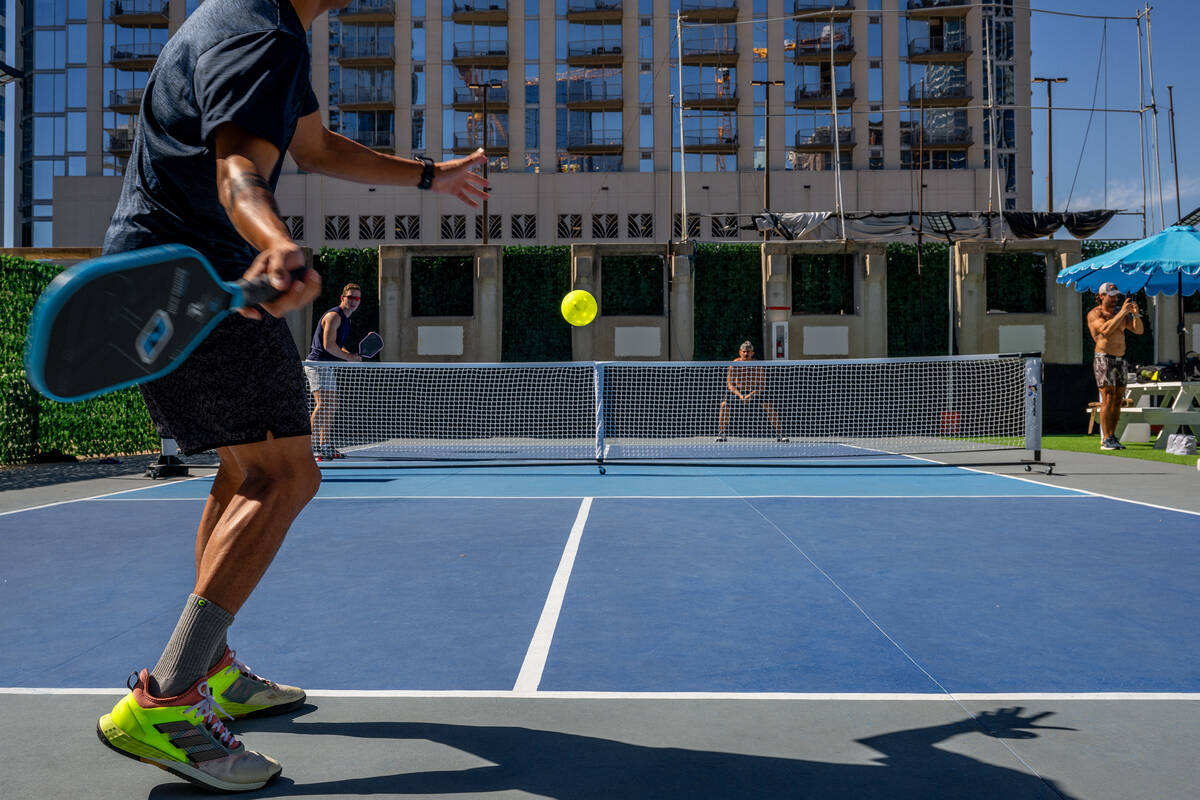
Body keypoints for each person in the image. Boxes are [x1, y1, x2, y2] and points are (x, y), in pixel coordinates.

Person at [95, 0, 488, 791]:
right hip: (199, 275)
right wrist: (276, 244)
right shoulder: (262, 33)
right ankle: (167, 700)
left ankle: (215, 668)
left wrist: (426, 176)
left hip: (168, 274)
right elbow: (238, 167)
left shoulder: (251, 22)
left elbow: (309, 146)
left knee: (247, 469)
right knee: (287, 474)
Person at [306, 283, 364, 460]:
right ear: (342, 298)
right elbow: (328, 345)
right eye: (350, 297)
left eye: (357, 298)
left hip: (327, 365)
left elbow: (337, 346)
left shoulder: (347, 319)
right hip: (316, 364)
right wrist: (348, 358)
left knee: (331, 405)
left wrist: (350, 355)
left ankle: (326, 446)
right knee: (323, 404)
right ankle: (312, 447)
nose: (354, 301)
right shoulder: (334, 316)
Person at [1086, 282, 1144, 451]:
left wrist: (1136, 315)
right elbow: (1105, 330)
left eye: (1116, 295)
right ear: (1101, 296)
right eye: (1111, 295)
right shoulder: (1095, 314)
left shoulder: (1120, 312)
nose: (1114, 299)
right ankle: (1106, 438)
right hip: (1104, 358)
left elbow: (1138, 330)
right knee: (1108, 397)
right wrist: (1123, 313)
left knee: (1118, 399)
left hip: (1121, 358)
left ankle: (1112, 436)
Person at [717, 341, 788, 442]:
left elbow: (762, 385)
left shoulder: (757, 366)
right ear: (740, 352)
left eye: (748, 352)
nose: (746, 354)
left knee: (769, 406)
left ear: (752, 353)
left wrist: (751, 394)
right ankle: (721, 433)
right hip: (738, 392)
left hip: (754, 392)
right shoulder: (734, 365)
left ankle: (780, 433)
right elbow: (730, 385)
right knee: (724, 405)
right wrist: (740, 395)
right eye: (744, 351)